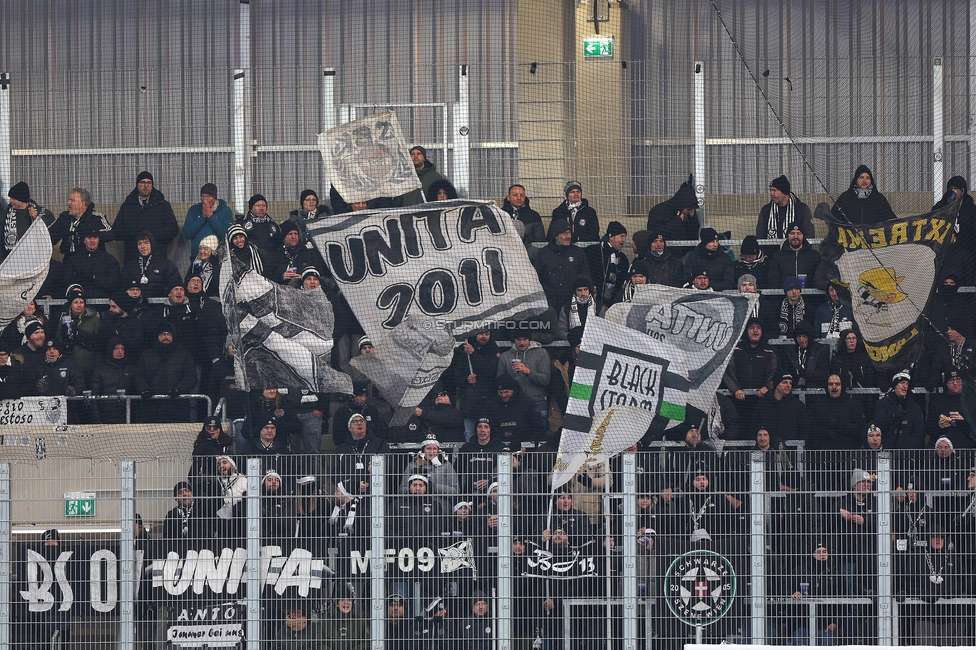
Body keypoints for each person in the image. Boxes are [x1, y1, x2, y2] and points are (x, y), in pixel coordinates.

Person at [132, 322, 198, 422]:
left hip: (178, 407)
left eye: (169, 334)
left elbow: (191, 377)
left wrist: (178, 390)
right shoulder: (146, 355)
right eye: (163, 334)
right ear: (157, 336)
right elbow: (138, 376)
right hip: (151, 408)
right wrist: (144, 390)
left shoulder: (184, 354)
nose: (166, 337)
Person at [113, 171, 179, 263]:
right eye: (143, 182)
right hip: (132, 257)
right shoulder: (127, 206)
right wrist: (135, 234)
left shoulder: (163, 205)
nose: (146, 185)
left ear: (152, 185)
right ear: (137, 184)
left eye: (149, 182)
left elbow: (173, 229)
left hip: (157, 257)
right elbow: (116, 232)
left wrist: (151, 236)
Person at [448, 328, 501, 441]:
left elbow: (490, 371)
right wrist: (466, 380)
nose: (484, 336)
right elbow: (455, 378)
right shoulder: (464, 351)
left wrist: (473, 354)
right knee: (469, 435)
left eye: (487, 334)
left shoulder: (494, 350)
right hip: (469, 405)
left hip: (487, 403)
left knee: (487, 436)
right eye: (481, 334)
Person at [533, 218, 592, 309]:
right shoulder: (543, 254)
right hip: (550, 303)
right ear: (556, 236)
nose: (568, 236)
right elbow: (536, 279)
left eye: (569, 233)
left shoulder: (577, 253)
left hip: (571, 304)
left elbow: (585, 276)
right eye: (564, 233)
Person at [497, 331, 551, 419]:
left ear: (529, 339)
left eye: (525, 339)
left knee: (540, 432)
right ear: (514, 340)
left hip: (538, 405)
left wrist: (528, 371)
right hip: (514, 406)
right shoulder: (506, 356)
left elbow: (545, 379)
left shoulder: (541, 353)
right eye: (519, 340)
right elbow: (499, 381)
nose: (522, 343)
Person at [48, 187, 113, 261]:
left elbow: (110, 233)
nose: (68, 202)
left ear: (82, 203)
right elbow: (50, 235)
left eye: (72, 200)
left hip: (91, 260)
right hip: (69, 260)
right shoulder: (64, 218)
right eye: (69, 200)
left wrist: (91, 233)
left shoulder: (96, 217)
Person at [645, 174, 700, 255]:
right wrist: (676, 221)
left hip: (679, 255)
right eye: (688, 209)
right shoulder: (659, 211)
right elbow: (655, 233)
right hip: (659, 255)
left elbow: (693, 235)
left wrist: (693, 219)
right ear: (681, 205)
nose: (690, 211)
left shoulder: (685, 215)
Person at [485, 375, 546, 447]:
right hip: (498, 447)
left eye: (506, 392)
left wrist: (526, 446)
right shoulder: (491, 405)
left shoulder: (528, 403)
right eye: (500, 392)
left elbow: (538, 429)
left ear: (513, 389)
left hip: (523, 448)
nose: (503, 395)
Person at [332, 412, 385, 495]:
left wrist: (378, 466)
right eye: (355, 422)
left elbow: (391, 465)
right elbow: (336, 475)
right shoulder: (341, 449)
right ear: (349, 428)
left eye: (362, 421)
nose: (359, 423)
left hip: (375, 492)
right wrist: (355, 485)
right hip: (350, 495)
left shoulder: (379, 444)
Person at [2, 181, 55, 262]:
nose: (10, 201)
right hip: (11, 260)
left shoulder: (41, 211)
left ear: (21, 199)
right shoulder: (4, 216)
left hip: (36, 258)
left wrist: (37, 218)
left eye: (13, 198)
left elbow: (51, 227)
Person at [54, 287, 103, 376]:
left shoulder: (94, 319)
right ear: (70, 304)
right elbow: (58, 340)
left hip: (89, 367)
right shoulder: (64, 319)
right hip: (68, 367)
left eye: (81, 302)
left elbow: (100, 345)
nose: (79, 305)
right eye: (76, 302)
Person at [182, 182, 233, 265]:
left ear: (215, 198)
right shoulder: (194, 210)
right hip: (198, 258)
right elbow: (187, 233)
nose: (205, 199)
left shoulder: (226, 211)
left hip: (218, 259)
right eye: (203, 196)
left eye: (208, 196)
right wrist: (202, 218)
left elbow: (226, 235)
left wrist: (211, 217)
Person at [872, 370, 926, 449]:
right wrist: (893, 417)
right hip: (887, 448)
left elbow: (919, 432)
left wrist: (907, 447)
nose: (905, 386)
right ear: (895, 386)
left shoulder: (914, 407)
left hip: (907, 452)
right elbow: (878, 423)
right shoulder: (883, 404)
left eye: (907, 384)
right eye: (902, 383)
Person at [750, 372, 810, 443]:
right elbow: (754, 427)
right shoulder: (762, 404)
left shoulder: (798, 406)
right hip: (767, 449)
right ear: (776, 384)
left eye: (790, 383)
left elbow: (804, 430)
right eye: (784, 382)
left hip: (791, 450)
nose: (788, 385)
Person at [120, 230, 182, 298]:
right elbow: (123, 286)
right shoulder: (129, 266)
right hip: (135, 305)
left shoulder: (166, 264)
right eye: (140, 243)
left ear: (152, 244)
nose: (143, 246)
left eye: (146, 243)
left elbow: (175, 284)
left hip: (159, 305)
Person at [62, 228, 121, 298]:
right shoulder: (73, 260)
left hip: (103, 303)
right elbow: (67, 280)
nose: (92, 240)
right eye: (89, 238)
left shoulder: (110, 260)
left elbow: (114, 283)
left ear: (98, 240)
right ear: (84, 240)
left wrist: (95, 278)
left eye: (95, 237)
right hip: (80, 301)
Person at [830, 164, 896, 226]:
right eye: (861, 177)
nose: (864, 181)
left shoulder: (878, 198)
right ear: (856, 179)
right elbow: (834, 217)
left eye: (867, 178)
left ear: (871, 180)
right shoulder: (845, 197)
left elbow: (890, 219)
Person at [89, 338, 135, 423]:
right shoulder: (100, 370)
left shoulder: (131, 369)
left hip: (127, 419)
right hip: (105, 418)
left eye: (122, 349)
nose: (120, 351)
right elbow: (93, 398)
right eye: (116, 348)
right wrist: (97, 421)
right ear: (110, 350)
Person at [584, 220, 629, 307]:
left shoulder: (623, 258)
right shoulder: (593, 251)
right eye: (621, 236)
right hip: (593, 301)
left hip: (613, 304)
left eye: (625, 237)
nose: (624, 240)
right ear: (611, 237)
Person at [756, 175, 814, 240]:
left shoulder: (801, 209)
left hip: (795, 249)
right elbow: (760, 235)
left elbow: (809, 235)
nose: (771, 194)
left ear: (784, 192)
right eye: (770, 190)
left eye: (774, 190)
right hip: (772, 249)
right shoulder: (766, 210)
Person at [766, 222, 821, 290]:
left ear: (803, 236)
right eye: (792, 233)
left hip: (809, 298)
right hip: (784, 297)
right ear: (787, 236)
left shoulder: (814, 256)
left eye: (799, 233)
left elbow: (819, 279)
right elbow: (773, 280)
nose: (795, 236)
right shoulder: (778, 256)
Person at [265, 220, 321, 287]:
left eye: (296, 234)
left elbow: (319, 273)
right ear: (284, 237)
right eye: (290, 234)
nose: (293, 237)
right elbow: (265, 278)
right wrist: (281, 277)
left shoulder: (309, 253)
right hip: (281, 292)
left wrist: (304, 277)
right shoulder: (274, 255)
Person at [927, 371, 971, 449]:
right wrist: (939, 426)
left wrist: (963, 421)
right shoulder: (937, 401)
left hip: (967, 444)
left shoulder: (970, 400)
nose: (955, 383)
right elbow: (929, 429)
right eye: (951, 380)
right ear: (946, 383)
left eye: (958, 379)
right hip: (943, 444)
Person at [161, 481, 207, 551]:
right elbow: (166, 538)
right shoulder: (171, 515)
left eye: (187, 491)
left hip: (201, 553)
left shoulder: (203, 508)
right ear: (176, 498)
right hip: (180, 553)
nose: (184, 494)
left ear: (192, 494)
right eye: (180, 492)